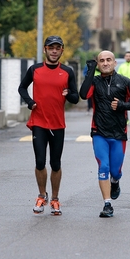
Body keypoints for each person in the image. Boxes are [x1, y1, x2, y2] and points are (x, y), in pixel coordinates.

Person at [18, 35, 79, 215]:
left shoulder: (67, 72)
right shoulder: (34, 69)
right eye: (50, 48)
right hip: (38, 122)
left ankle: (55, 199)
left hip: (58, 124)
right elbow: (22, 88)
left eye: (57, 48)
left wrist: (68, 94)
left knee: (56, 163)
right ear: (45, 49)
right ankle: (41, 195)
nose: (54, 51)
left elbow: (76, 98)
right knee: (39, 162)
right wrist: (29, 102)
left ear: (62, 50)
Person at [79, 50, 130, 217]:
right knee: (103, 167)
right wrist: (91, 71)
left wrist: (122, 105)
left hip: (119, 134)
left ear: (115, 63)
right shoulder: (94, 82)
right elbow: (83, 94)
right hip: (99, 132)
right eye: (101, 61)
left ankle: (115, 181)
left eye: (108, 60)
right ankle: (107, 204)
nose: (105, 63)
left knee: (115, 171)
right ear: (98, 64)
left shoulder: (124, 82)